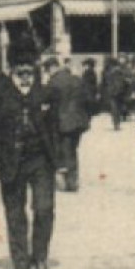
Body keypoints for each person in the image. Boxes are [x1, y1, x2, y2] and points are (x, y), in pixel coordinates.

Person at [0, 37, 64, 269]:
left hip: (41, 161)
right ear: (12, 70)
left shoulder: (47, 92)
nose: (27, 77)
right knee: (15, 213)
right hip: (10, 161)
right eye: (21, 72)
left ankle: (40, 258)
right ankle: (20, 263)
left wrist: (61, 165)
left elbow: (57, 132)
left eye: (30, 71)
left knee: (45, 209)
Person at [44, 56, 91, 192]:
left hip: (62, 122)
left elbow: (46, 100)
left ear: (52, 68)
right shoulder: (77, 79)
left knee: (64, 151)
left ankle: (67, 182)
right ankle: (73, 180)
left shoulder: (53, 82)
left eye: (48, 70)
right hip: (79, 122)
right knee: (72, 149)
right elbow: (88, 99)